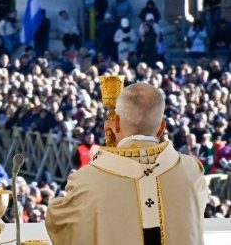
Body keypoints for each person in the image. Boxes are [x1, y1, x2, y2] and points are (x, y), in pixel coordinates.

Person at [45, 83, 209, 245]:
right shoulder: (192, 171)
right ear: (161, 128)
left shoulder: (86, 179)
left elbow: (61, 224)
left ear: (116, 124)